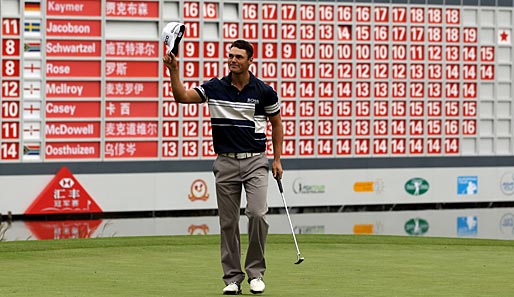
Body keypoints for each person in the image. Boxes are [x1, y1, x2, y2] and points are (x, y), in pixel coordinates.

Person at [163, 39, 284, 295]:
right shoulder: (215, 87)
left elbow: (276, 123)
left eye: (239, 57)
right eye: (230, 56)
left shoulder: (264, 91)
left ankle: (255, 273)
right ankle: (232, 278)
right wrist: (174, 70)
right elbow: (181, 97)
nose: (233, 60)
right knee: (228, 223)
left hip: (255, 161)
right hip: (226, 162)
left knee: (257, 214)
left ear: (250, 60)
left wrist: (277, 159)